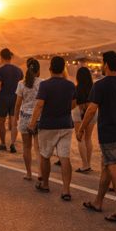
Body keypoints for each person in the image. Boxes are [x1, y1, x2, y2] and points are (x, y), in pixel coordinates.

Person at [78, 51, 116, 223]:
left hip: (109, 134)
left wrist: (81, 128)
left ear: (106, 65)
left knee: (114, 170)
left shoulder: (100, 85)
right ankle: (98, 202)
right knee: (107, 167)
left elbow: (91, 110)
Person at [28, 56, 76, 201]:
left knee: (45, 155)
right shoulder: (70, 85)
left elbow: (39, 105)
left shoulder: (45, 85)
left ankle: (45, 184)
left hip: (48, 125)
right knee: (64, 157)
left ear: (50, 69)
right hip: (66, 125)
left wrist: (32, 123)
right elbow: (73, 105)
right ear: (63, 69)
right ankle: (66, 190)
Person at [14, 58, 42, 181]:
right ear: (38, 71)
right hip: (37, 119)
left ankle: (29, 173)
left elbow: (18, 103)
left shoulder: (21, 84)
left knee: (26, 147)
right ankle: (40, 173)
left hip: (25, 118)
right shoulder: (42, 83)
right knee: (38, 148)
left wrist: (15, 118)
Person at [0, 48, 24, 153]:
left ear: (1, 57)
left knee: (1, 122)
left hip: (4, 98)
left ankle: (3, 144)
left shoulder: (0, 71)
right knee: (14, 122)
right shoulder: (18, 70)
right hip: (15, 98)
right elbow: (21, 84)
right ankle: (13, 144)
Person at [73, 66, 96, 173]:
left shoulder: (76, 88)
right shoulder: (94, 87)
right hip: (92, 112)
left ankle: (85, 164)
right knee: (88, 138)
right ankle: (89, 164)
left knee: (80, 138)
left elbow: (74, 103)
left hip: (78, 111)